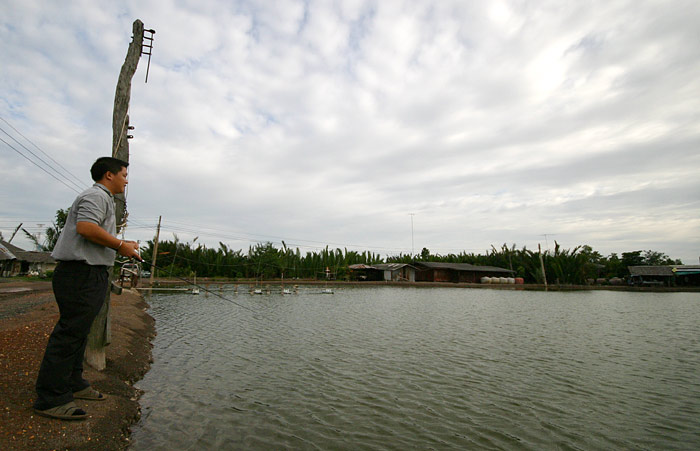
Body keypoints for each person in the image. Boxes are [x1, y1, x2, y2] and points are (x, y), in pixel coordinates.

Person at [33, 157, 141, 420]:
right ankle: (50, 398)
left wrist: (122, 244)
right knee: (69, 334)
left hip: (89, 274)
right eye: (124, 174)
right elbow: (85, 228)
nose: (127, 180)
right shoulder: (96, 196)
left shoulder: (102, 198)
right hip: (79, 274)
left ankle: (73, 383)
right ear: (109, 175)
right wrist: (119, 246)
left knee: (79, 333)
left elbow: (94, 232)